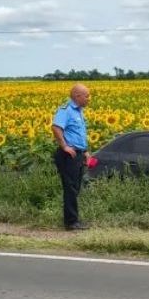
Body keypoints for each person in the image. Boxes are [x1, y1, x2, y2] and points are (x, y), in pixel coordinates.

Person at [52, 84, 91, 231]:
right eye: (86, 96)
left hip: (78, 154)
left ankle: (73, 219)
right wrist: (64, 146)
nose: (88, 99)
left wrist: (85, 151)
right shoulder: (66, 110)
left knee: (75, 187)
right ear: (77, 96)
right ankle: (71, 222)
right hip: (69, 155)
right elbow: (56, 127)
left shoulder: (79, 112)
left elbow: (77, 134)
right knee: (70, 188)